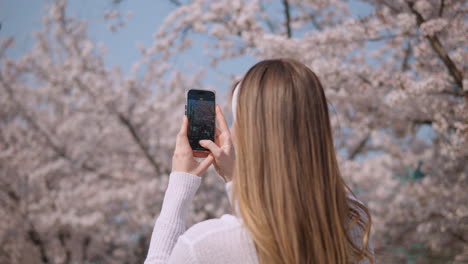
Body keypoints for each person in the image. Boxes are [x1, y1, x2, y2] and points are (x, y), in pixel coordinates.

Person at [144, 58, 375, 264]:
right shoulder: (353, 226)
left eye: (236, 122)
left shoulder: (204, 246)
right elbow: (279, 216)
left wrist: (180, 184)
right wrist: (237, 180)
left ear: (250, 137)